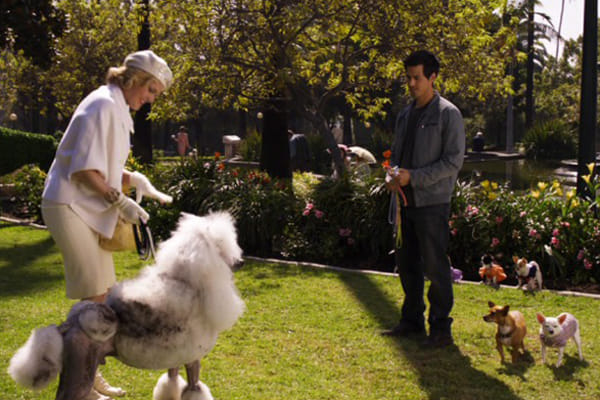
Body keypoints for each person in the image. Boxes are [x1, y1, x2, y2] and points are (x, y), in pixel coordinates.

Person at [40, 50, 174, 400]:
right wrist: (119, 201)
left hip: (82, 206)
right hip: (68, 204)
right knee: (94, 298)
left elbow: (102, 166)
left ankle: (85, 371)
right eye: (151, 90)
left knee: (99, 297)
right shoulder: (102, 104)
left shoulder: (115, 107)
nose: (151, 99)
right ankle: (66, 367)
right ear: (135, 80)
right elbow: (84, 171)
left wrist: (134, 180)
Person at [382, 50, 465, 348]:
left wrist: (413, 177)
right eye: (409, 78)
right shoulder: (405, 114)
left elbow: (453, 162)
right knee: (407, 264)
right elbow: (397, 155)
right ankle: (412, 321)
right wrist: (392, 175)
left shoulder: (448, 114)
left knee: (436, 267)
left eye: (417, 77)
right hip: (404, 204)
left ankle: (441, 328)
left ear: (433, 77)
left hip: (432, 204)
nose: (412, 84)